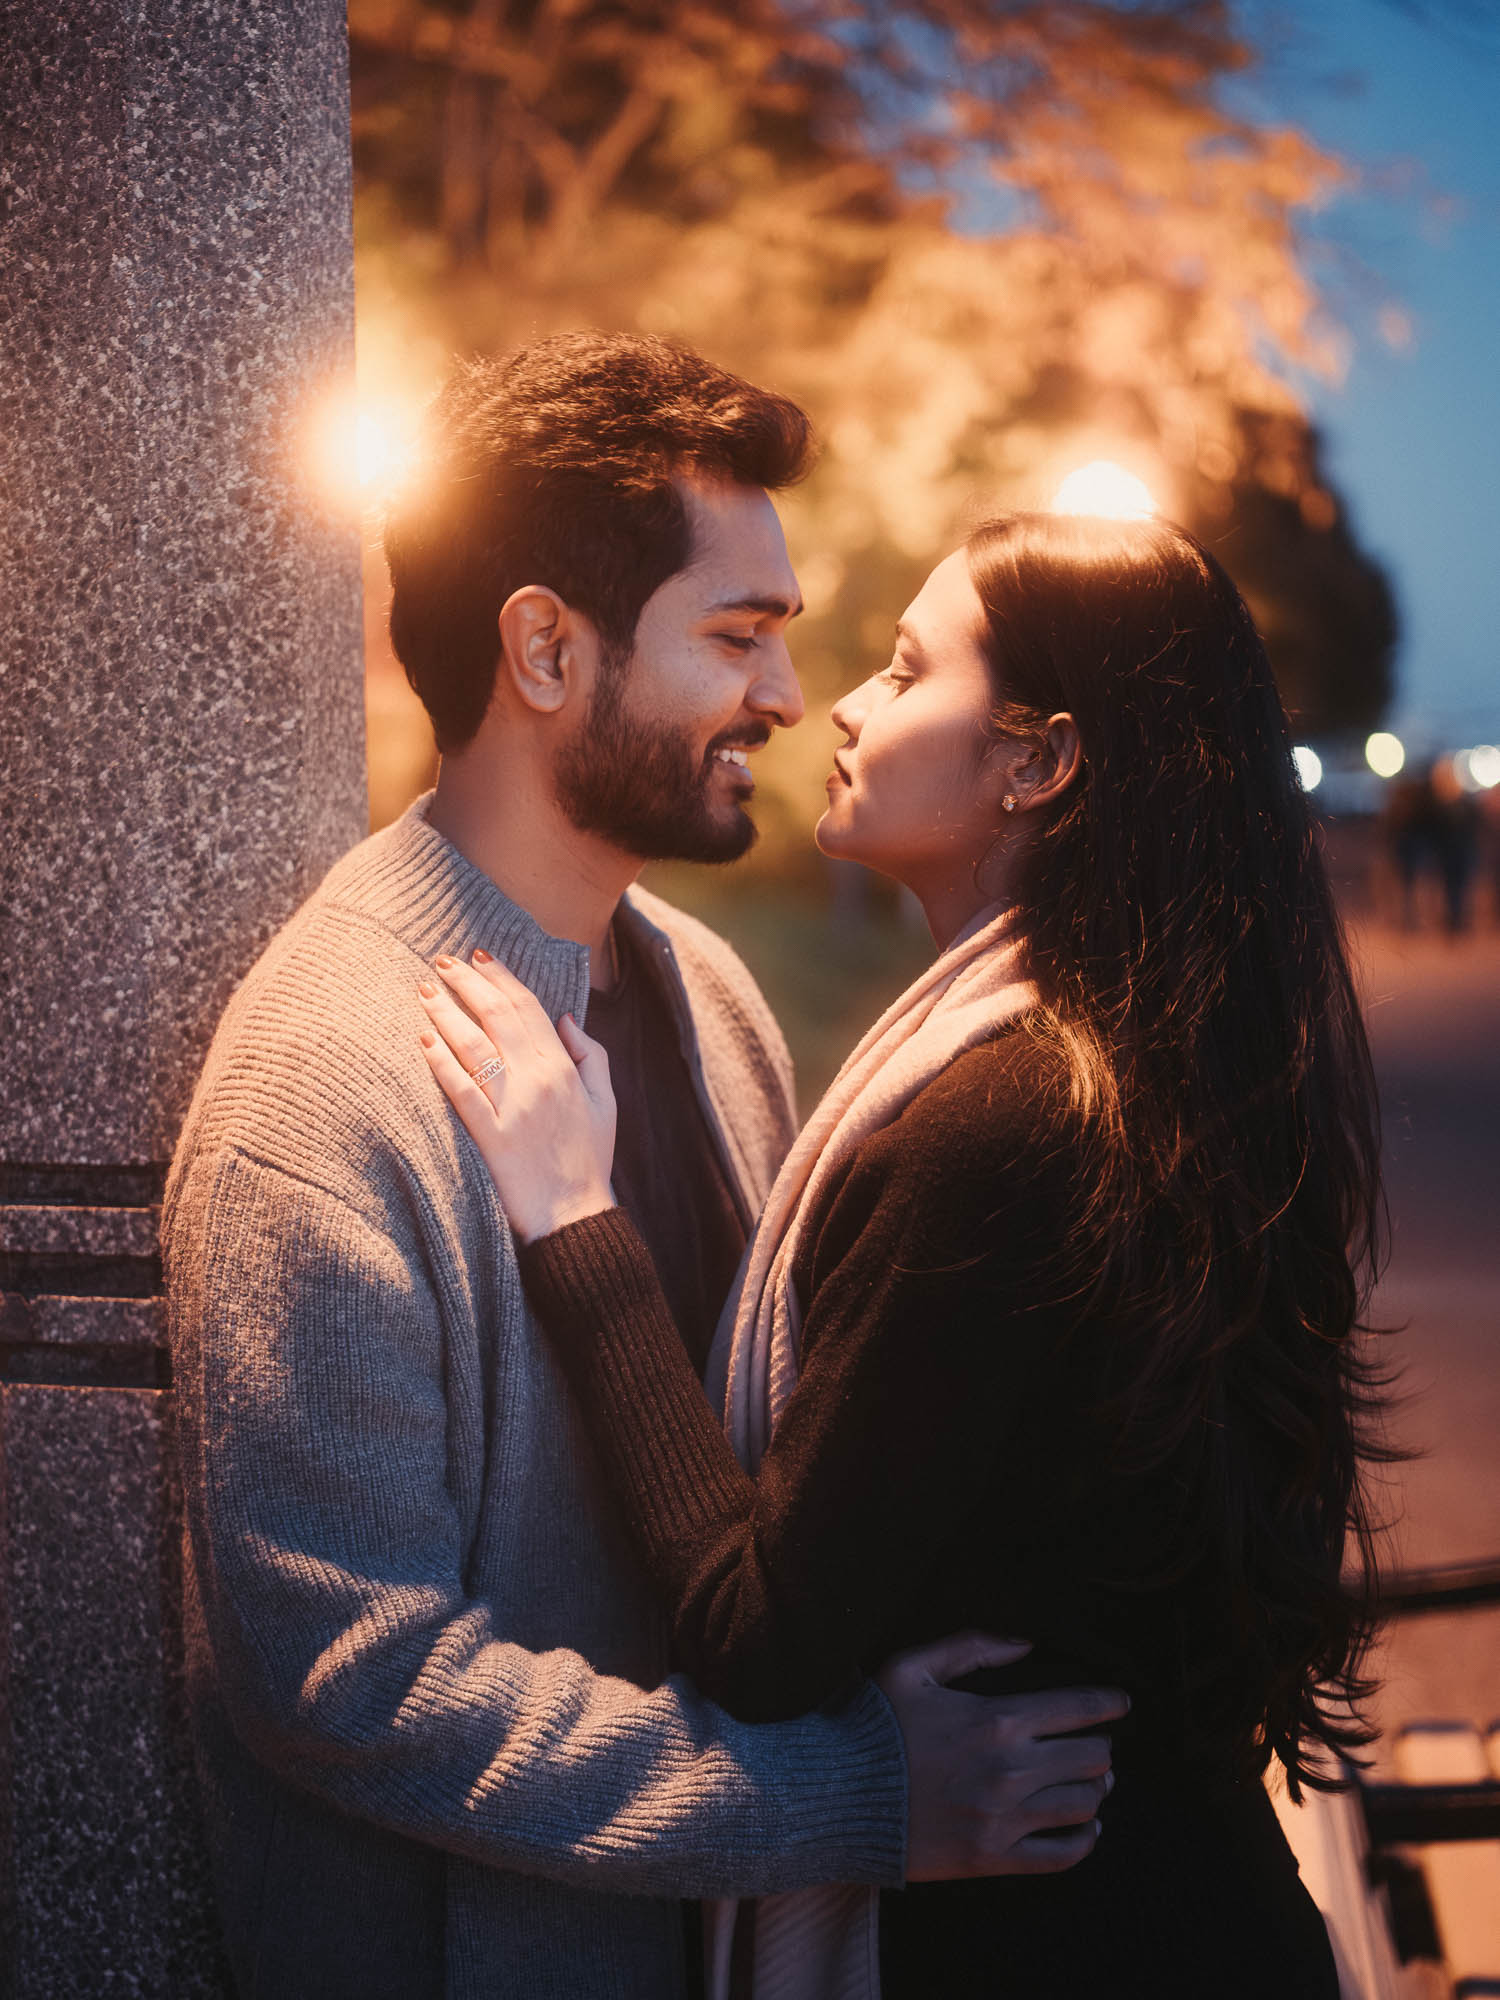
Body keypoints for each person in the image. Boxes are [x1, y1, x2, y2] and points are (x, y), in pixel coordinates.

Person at [162, 336, 1125, 2000]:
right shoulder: (324, 1081)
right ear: (543, 647)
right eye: (737, 636)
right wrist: (846, 1795)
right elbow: (342, 1673)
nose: (783, 694)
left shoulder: (710, 996)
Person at [417, 511, 1389, 1997]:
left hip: (1059, 1941)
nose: (841, 702)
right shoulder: (1135, 1070)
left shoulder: (1004, 1128)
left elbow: (760, 1630)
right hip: (1179, 1912)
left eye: (907, 666)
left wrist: (573, 1215)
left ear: (1037, 761)